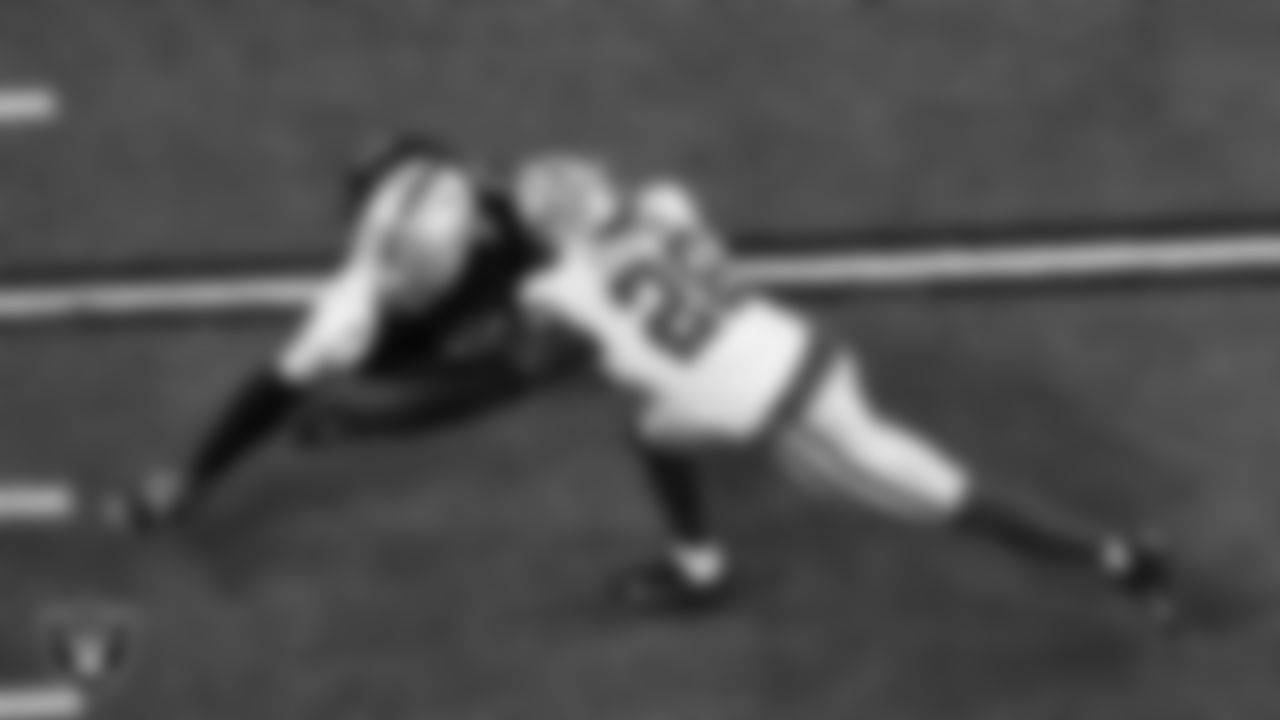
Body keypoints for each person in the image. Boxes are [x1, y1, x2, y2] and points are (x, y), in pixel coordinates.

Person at [510, 153, 1177, 621]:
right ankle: (697, 567)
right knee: (654, 430)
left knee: (956, 502)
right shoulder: (665, 202)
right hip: (805, 353)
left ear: (552, 232)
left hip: (802, 422)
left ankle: (1119, 558)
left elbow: (524, 346)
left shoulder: (556, 289)